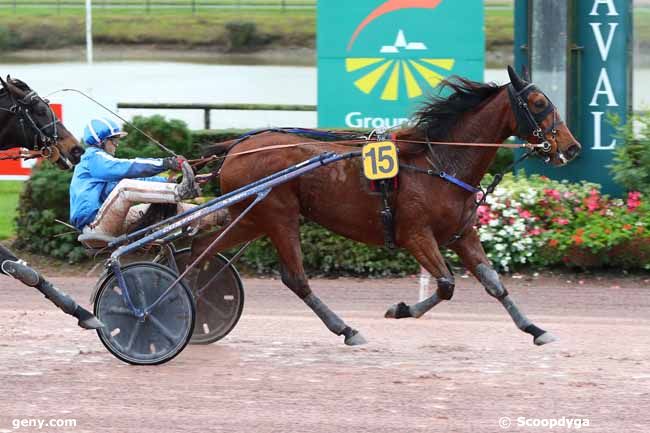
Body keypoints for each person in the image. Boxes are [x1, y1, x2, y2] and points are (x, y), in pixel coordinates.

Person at [69, 118, 219, 247]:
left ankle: (219, 215)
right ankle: (179, 192)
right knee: (124, 189)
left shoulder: (103, 166)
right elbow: (127, 168)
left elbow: (139, 180)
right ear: (101, 142)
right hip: (94, 225)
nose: (117, 144)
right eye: (114, 140)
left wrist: (174, 182)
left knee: (164, 206)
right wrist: (165, 163)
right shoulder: (93, 158)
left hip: (108, 218)